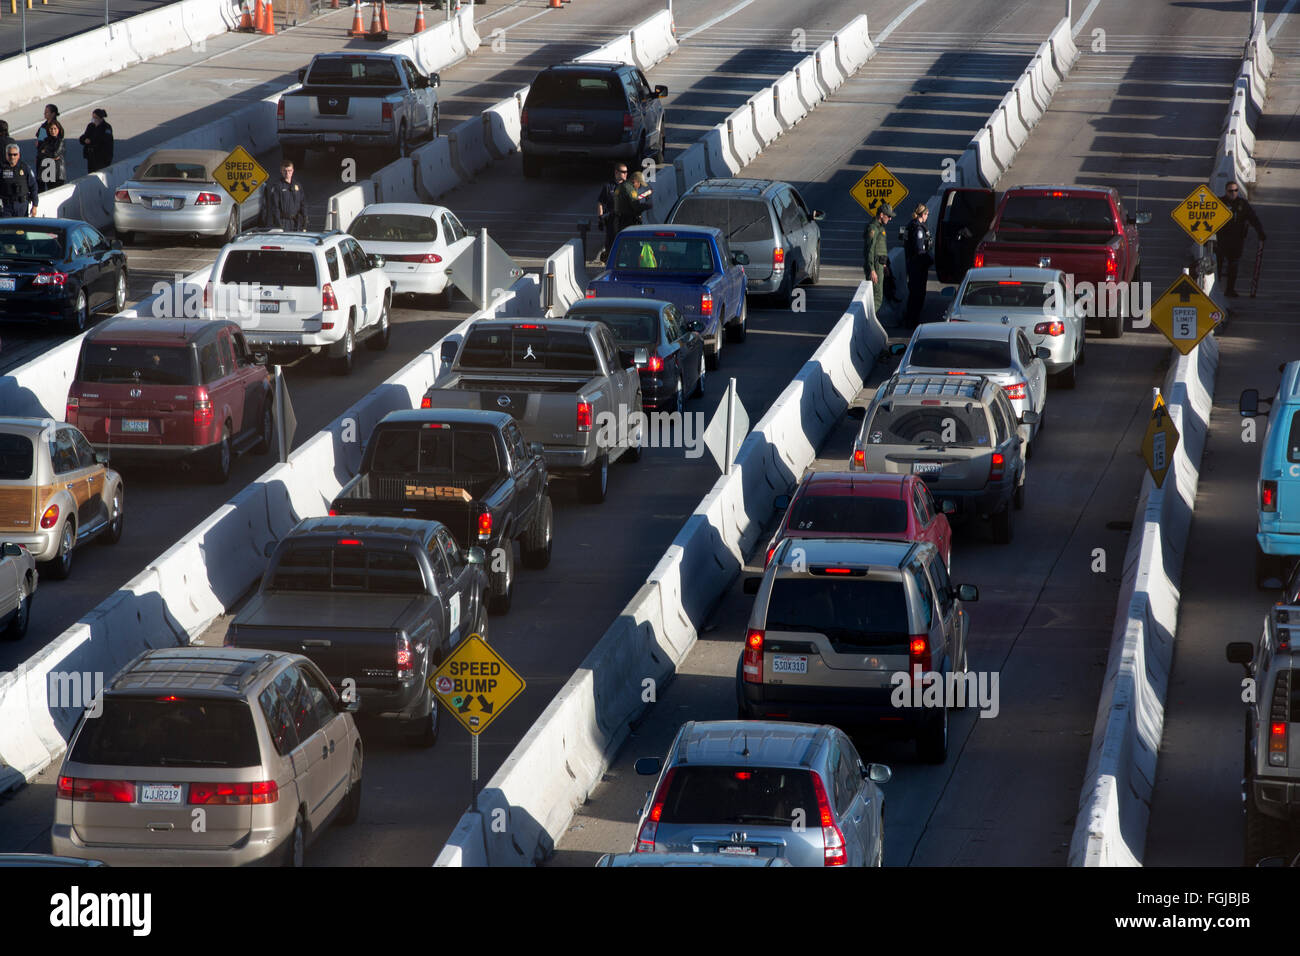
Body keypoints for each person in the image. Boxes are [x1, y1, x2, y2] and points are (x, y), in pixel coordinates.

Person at [1217, 180, 1265, 297]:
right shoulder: (1220, 203)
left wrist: (1260, 231)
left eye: (1236, 190)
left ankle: (1230, 289)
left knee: (1233, 266)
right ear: (1226, 191)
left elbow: (1253, 218)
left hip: (1237, 240)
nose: (1233, 193)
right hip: (1221, 240)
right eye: (1230, 191)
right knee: (1217, 265)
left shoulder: (1242, 204)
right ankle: (1215, 290)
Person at [902, 203, 934, 327]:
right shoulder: (918, 229)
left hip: (913, 265)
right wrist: (930, 259)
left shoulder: (912, 225)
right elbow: (919, 250)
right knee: (917, 294)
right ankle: (912, 320)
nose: (927, 217)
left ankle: (911, 318)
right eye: (927, 214)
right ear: (923, 214)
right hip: (917, 267)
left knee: (914, 293)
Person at [862, 201, 894, 315]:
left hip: (880, 265)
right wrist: (872, 269)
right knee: (877, 297)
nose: (890, 219)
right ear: (881, 215)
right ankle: (869, 319)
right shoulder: (873, 228)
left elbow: (880, 248)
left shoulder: (880, 228)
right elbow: (870, 250)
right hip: (875, 265)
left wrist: (884, 265)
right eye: (888, 216)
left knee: (877, 296)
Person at [595, 162, 628, 263]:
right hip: (612, 219)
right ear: (616, 172)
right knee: (611, 243)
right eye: (623, 172)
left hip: (625, 220)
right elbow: (601, 202)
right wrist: (600, 218)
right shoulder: (608, 186)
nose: (625, 174)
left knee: (625, 243)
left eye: (626, 172)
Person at [264, 159, 307, 231]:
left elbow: (303, 203)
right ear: (281, 171)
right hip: (283, 222)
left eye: (289, 170)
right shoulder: (277, 186)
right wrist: (278, 224)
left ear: (292, 170)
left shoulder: (297, 185)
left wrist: (305, 218)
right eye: (285, 171)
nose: (287, 173)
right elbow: (275, 206)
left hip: (296, 222)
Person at [0, 145, 38, 218]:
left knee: (21, 229)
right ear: (6, 155)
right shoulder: (2, 168)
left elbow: (33, 186)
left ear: (19, 155)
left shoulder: (25, 168)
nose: (12, 157)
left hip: (22, 206)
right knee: (7, 228)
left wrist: (35, 205)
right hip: (6, 207)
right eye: (10, 154)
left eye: (15, 154)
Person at [35, 105, 66, 192]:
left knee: (53, 188)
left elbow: (55, 152)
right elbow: (39, 142)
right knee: (40, 185)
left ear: (53, 114)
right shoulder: (44, 126)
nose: (45, 113)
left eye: (47, 112)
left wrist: (45, 150)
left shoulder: (56, 126)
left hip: (53, 165)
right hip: (42, 161)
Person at [78, 109, 113, 173]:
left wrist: (91, 141)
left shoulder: (106, 127)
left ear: (100, 118)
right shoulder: (90, 126)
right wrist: (84, 140)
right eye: (93, 117)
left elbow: (105, 140)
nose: (93, 119)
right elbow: (84, 136)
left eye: (95, 117)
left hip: (102, 157)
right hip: (91, 156)